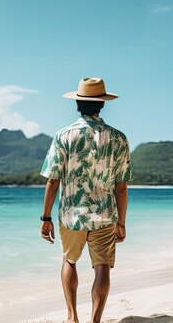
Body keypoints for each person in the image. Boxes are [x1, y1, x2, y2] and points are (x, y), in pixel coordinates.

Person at [40, 77, 132, 323]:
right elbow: (121, 188)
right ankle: (95, 320)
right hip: (105, 214)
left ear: (77, 104)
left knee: (69, 260)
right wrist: (121, 222)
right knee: (102, 266)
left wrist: (46, 217)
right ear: (102, 104)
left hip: (72, 214)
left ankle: (72, 316)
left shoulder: (64, 136)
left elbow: (52, 180)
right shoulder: (119, 138)